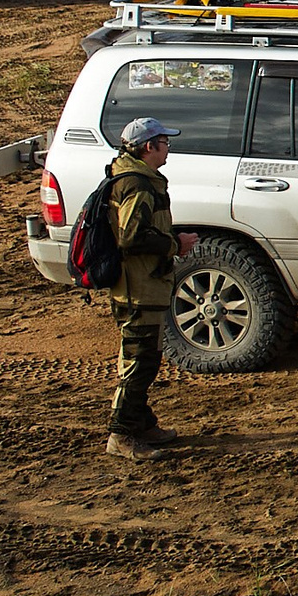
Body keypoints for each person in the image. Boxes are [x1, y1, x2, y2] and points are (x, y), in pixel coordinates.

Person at [103, 118, 198, 460]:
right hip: (138, 288)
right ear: (148, 147)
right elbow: (131, 237)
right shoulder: (138, 185)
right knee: (139, 361)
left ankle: (142, 423)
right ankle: (122, 434)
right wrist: (175, 244)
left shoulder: (137, 179)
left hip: (143, 284)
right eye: (163, 141)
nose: (167, 146)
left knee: (145, 358)